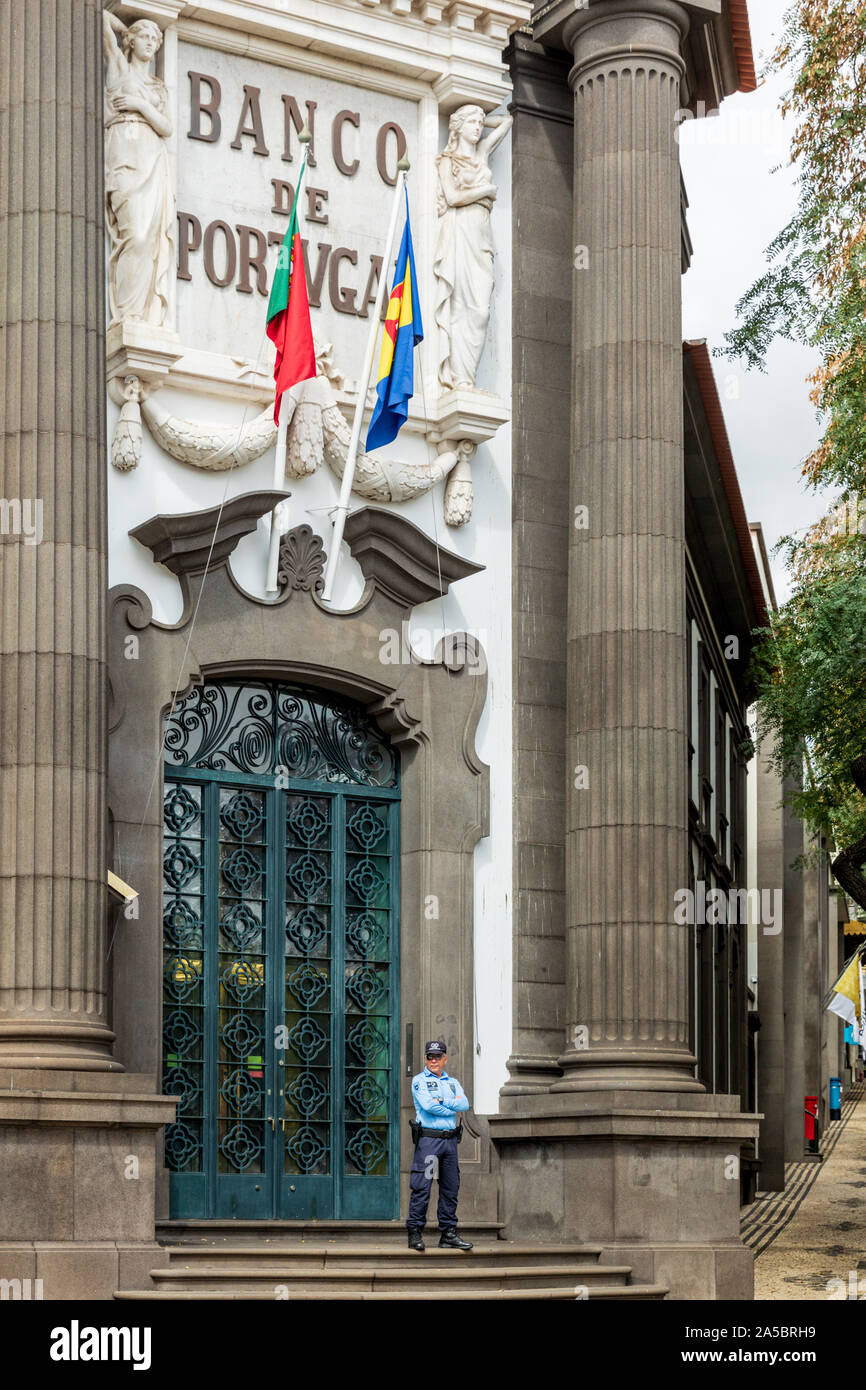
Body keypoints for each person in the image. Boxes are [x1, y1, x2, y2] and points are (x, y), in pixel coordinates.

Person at [433, 105, 512, 390]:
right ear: (458, 127)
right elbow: (453, 197)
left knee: (480, 308)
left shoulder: (481, 154)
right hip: (461, 231)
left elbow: (507, 120)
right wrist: (486, 191)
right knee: (461, 302)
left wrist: (480, 114)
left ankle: (466, 375)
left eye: (480, 124)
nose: (478, 128)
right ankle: (461, 378)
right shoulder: (446, 161)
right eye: (472, 123)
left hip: (482, 238)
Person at [103, 11, 173, 328]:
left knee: (147, 236)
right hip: (124, 151)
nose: (151, 44)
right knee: (134, 233)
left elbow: (167, 127)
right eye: (145, 37)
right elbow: (101, 17)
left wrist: (141, 105)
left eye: (155, 39)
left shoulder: (158, 89)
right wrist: (125, 28)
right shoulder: (118, 65)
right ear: (131, 41)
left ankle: (137, 313)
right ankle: (126, 311)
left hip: (152, 157)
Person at [406, 1040, 472, 1252]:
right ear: (426, 1059)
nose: (433, 1061)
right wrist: (448, 1105)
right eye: (429, 1057)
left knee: (450, 1188)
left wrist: (442, 1101)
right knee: (422, 1187)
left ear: (445, 1058)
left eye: (437, 1056)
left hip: (450, 1143)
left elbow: (464, 1105)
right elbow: (428, 1106)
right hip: (430, 1142)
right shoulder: (419, 1080)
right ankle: (415, 1232)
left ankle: (448, 1234)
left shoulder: (453, 1082)